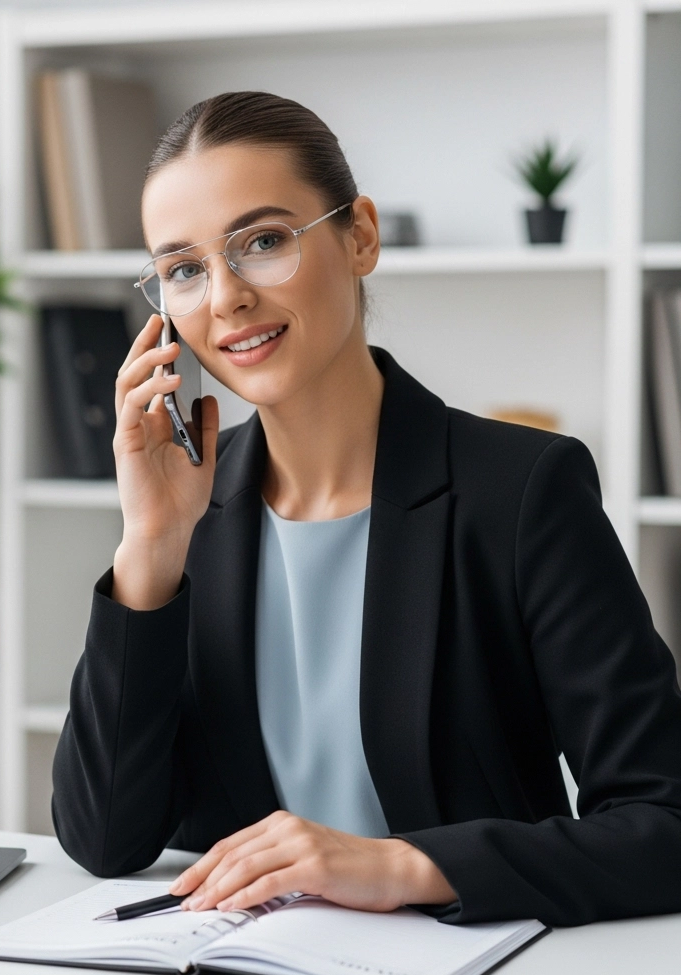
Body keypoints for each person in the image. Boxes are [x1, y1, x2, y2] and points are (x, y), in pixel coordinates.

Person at [50, 91, 681, 926]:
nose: (225, 297)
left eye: (263, 242)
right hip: (239, 970)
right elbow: (103, 839)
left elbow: (663, 823)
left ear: (361, 238)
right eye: (184, 270)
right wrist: (151, 546)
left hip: (473, 971)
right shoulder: (185, 510)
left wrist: (402, 865)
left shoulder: (523, 491)